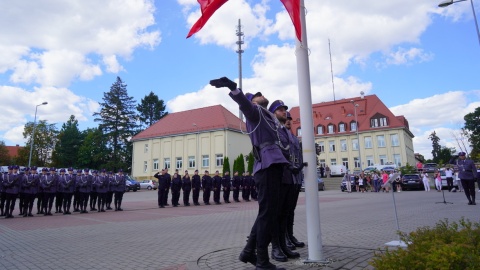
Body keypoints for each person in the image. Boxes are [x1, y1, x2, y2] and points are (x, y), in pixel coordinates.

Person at [211, 76, 289, 270]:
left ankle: (248, 251)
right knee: (268, 215)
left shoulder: (268, 116)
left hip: (275, 165)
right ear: (252, 102)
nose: (261, 95)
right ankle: (261, 260)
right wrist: (232, 88)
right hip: (267, 167)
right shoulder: (254, 113)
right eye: (256, 96)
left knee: (267, 214)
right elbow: (245, 105)